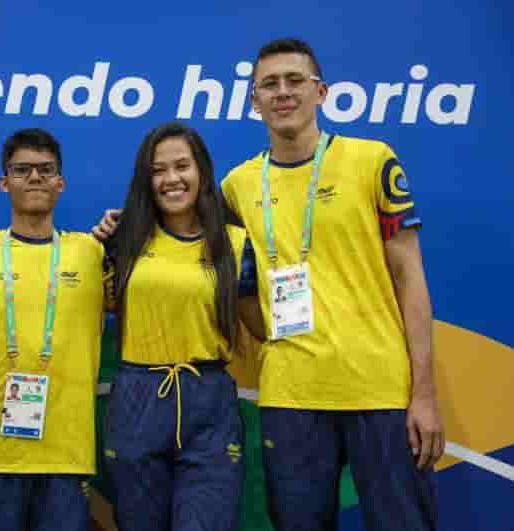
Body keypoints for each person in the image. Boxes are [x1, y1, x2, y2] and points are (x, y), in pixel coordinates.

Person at [95, 39, 444, 531]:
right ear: (254, 101)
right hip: (289, 397)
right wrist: (116, 229)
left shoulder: (371, 161)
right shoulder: (238, 186)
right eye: (269, 84)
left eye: (294, 80)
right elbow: (180, 235)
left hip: (379, 390)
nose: (283, 93)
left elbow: (411, 277)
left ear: (321, 91)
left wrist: (424, 395)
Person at [99, 122, 263, 531]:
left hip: (209, 402)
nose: (172, 179)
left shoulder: (235, 243)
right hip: (137, 397)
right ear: (146, 179)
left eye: (182, 166)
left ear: (202, 172)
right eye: (158, 170)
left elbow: (261, 325)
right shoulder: (122, 240)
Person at [0, 128, 108, 531]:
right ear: (5, 183)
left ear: (61, 182)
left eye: (45, 169)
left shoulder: (92, 253)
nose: (35, 178)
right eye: (22, 170)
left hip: (66, 453)